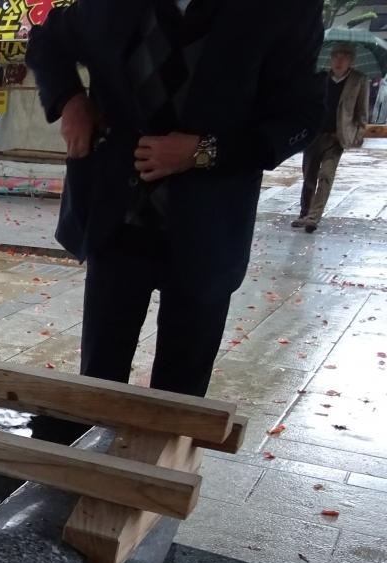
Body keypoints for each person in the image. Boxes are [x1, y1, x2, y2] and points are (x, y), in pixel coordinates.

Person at [25, 0, 324, 411]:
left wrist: (203, 152)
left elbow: (303, 118)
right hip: (117, 221)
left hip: (208, 229)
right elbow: (47, 40)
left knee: (180, 397)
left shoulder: (284, 10)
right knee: (98, 382)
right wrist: (71, 102)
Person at [293, 43, 369, 233]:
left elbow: (361, 112)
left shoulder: (358, 80)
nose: (339, 60)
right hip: (314, 135)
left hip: (336, 137)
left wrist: (357, 133)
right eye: (336, 56)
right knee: (309, 176)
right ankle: (305, 212)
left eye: (344, 57)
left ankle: (313, 217)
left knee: (326, 176)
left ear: (351, 60)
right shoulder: (321, 78)